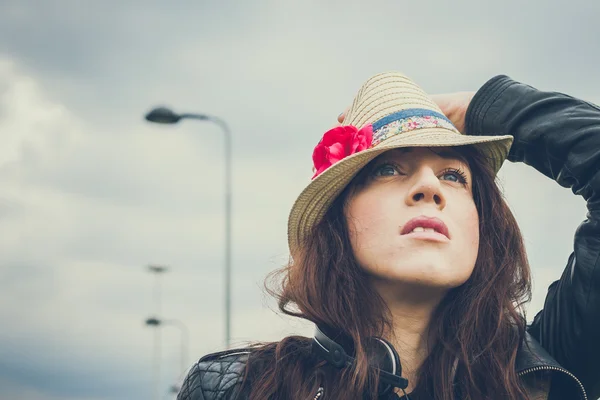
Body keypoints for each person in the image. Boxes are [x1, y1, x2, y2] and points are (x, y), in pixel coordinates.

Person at [177, 72, 600, 400]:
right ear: (336, 219)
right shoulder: (239, 386)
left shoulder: (547, 368)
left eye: (453, 175)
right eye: (387, 168)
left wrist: (479, 107)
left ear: (482, 227)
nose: (429, 187)